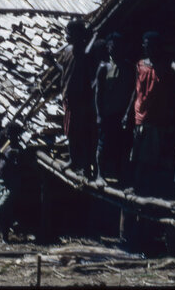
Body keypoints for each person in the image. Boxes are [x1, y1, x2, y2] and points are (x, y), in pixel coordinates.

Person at [123, 31, 173, 198]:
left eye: (150, 45)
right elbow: (135, 91)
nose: (147, 48)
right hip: (139, 116)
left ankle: (143, 188)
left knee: (149, 157)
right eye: (145, 45)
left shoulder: (164, 67)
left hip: (155, 118)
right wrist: (127, 113)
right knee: (136, 155)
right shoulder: (140, 65)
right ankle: (136, 186)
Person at [50, 20, 97, 178]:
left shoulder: (86, 53)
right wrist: (51, 62)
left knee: (81, 133)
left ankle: (84, 166)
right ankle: (73, 160)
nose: (67, 36)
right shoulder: (68, 50)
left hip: (80, 100)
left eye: (70, 34)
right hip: (68, 98)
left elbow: (91, 78)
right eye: (67, 33)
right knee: (70, 132)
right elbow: (64, 70)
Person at [93, 33, 134, 181]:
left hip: (121, 113)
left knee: (119, 144)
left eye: (117, 46)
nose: (114, 49)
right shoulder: (104, 67)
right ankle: (100, 174)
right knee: (103, 144)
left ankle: (118, 174)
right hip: (106, 113)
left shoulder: (128, 67)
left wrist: (127, 112)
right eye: (111, 46)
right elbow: (98, 92)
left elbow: (133, 91)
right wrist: (98, 114)